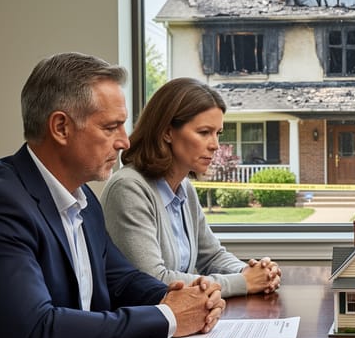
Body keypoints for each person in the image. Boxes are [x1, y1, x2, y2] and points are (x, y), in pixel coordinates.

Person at [0, 52, 225, 338]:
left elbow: (121, 278)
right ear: (60, 127)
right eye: (110, 126)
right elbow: (37, 333)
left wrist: (181, 298)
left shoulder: (81, 197)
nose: (124, 141)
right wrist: (168, 317)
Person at [101, 77, 281, 297]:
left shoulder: (184, 188)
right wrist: (243, 282)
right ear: (167, 132)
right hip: (144, 325)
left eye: (218, 133)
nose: (215, 144)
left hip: (181, 321)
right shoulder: (128, 189)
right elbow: (153, 279)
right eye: (204, 132)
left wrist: (252, 272)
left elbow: (212, 256)